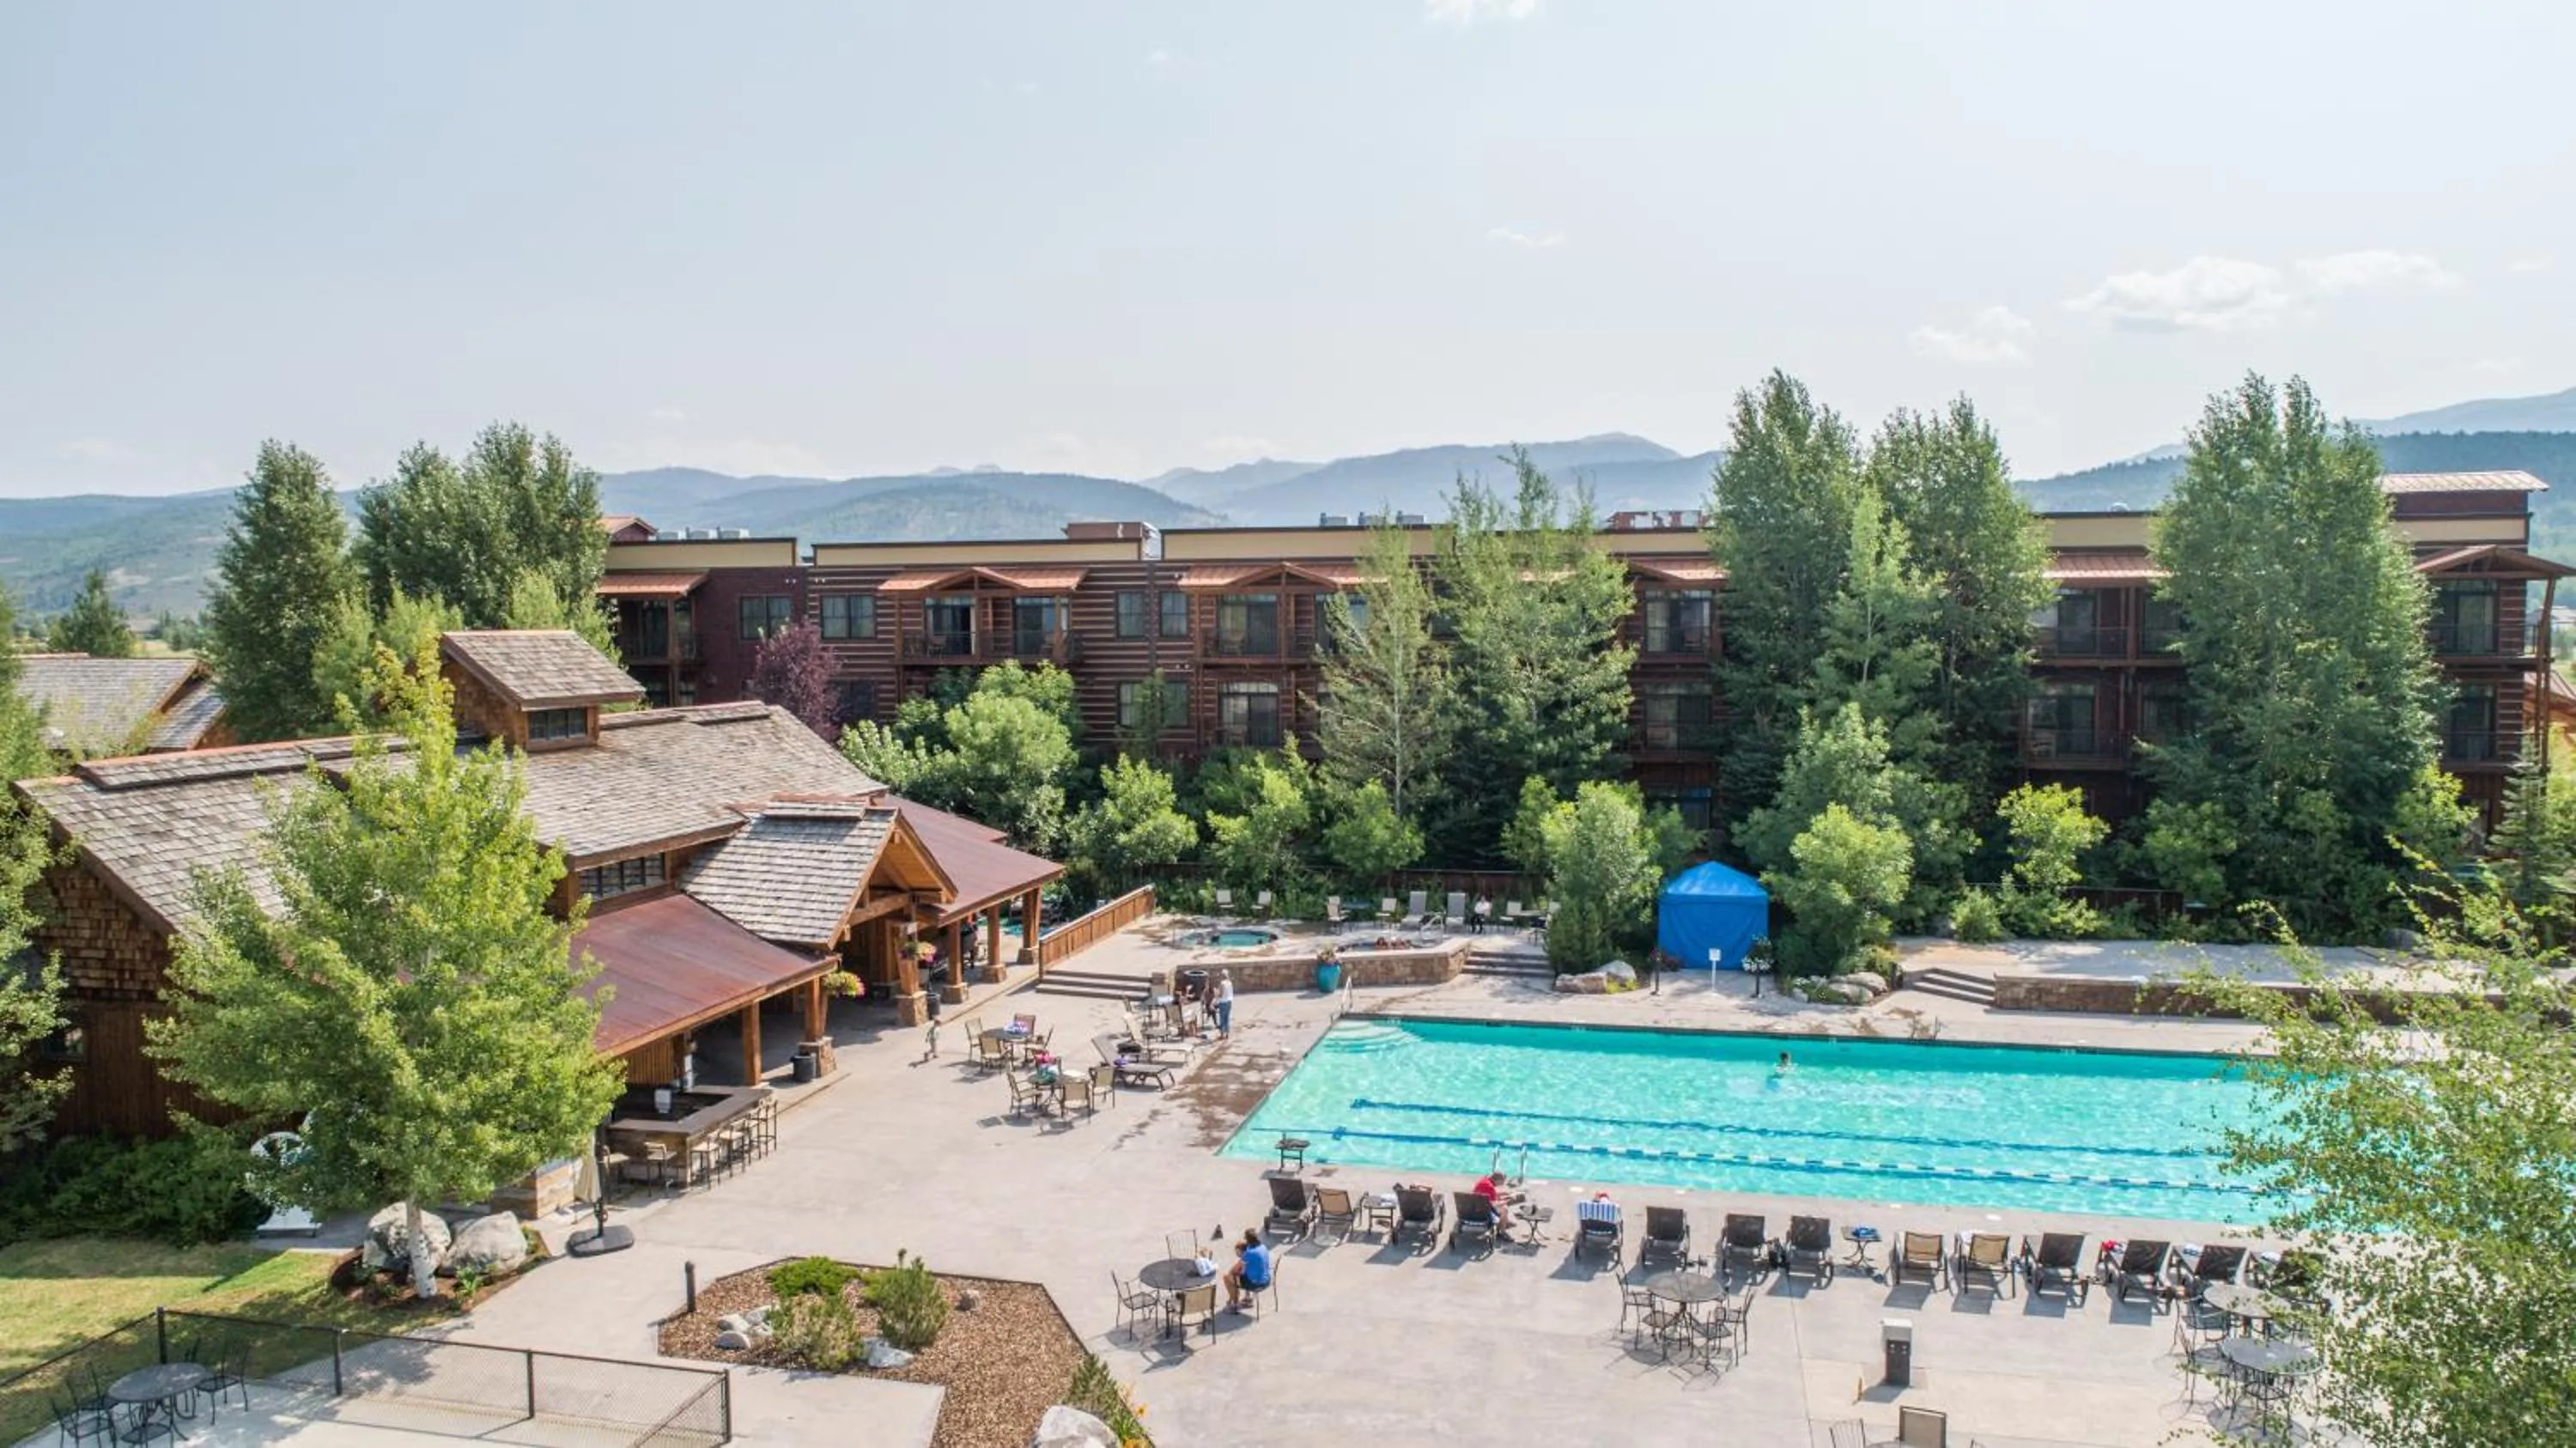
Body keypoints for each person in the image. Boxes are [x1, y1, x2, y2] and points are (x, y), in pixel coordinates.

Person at [1226, 1226, 1273, 1311]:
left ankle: (1235, 1304)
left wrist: (1232, 1272)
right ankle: (1248, 1299)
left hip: (1256, 1284)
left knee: (1228, 1277)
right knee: (1246, 1272)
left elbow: (1235, 1270)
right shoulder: (1263, 1247)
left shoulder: (1249, 1253)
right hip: (1267, 1280)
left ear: (1247, 1240)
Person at [1474, 1170, 1520, 1239]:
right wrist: (1509, 1200)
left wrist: (1506, 1194)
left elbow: (1491, 1193)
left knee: (1503, 1204)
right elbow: (1495, 1205)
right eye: (1503, 1181)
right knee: (1505, 1209)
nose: (1503, 1183)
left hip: (1475, 1206)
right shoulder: (1491, 1187)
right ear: (1498, 1180)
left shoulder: (1484, 1181)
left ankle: (1506, 1222)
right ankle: (1503, 1232)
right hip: (1484, 1211)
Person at [1213, 969, 1236, 1038]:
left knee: (1222, 1018)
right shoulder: (1230, 983)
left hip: (1223, 1002)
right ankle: (1227, 1033)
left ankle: (1222, 1033)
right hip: (1229, 1002)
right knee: (1227, 1017)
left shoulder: (1222, 983)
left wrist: (1216, 993)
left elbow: (1221, 994)